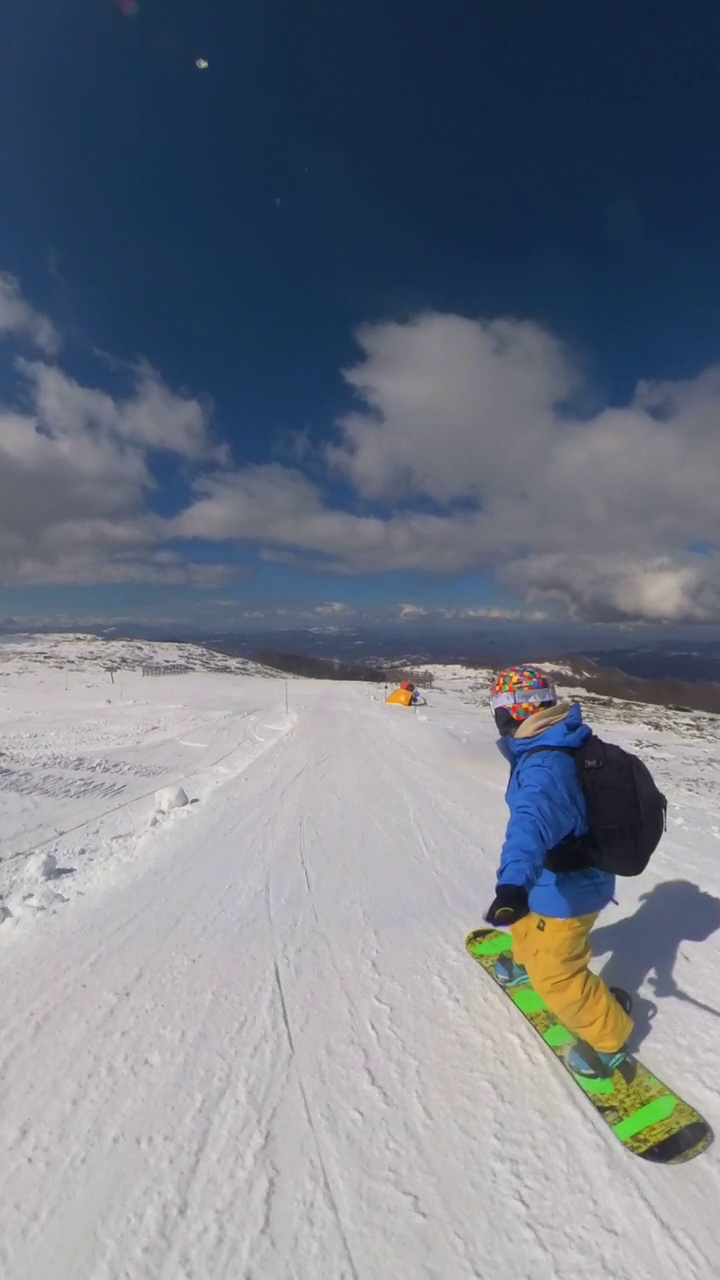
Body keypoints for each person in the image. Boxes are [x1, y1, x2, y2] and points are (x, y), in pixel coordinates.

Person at [484, 664, 633, 1079]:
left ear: (516, 710)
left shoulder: (545, 765)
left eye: (497, 707)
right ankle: (524, 958)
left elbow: (529, 825)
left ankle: (609, 1040)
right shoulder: (551, 739)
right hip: (553, 877)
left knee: (558, 974)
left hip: (571, 888)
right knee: (528, 923)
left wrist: (512, 884)